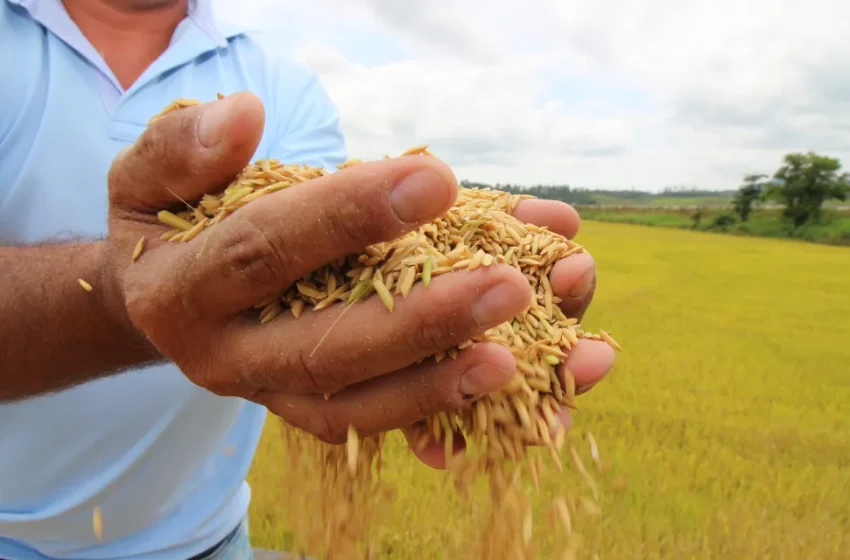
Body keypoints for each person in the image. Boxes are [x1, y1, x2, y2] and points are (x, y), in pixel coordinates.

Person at [0, 0, 616, 558]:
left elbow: (325, 266)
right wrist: (121, 298)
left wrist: (459, 295)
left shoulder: (278, 83)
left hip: (209, 538)